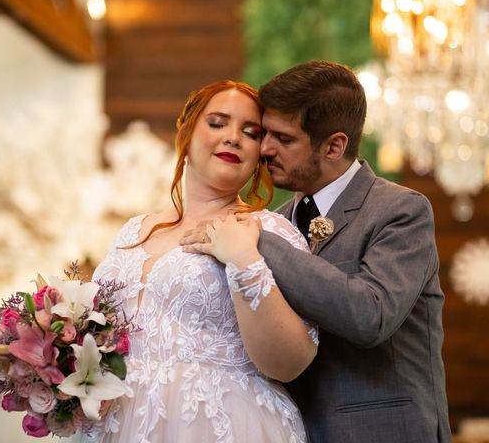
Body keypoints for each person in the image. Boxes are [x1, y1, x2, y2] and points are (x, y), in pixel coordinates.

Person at [182, 61, 451, 443]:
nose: (265, 148)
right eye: (265, 133)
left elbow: (370, 315)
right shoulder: (279, 219)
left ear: (334, 146)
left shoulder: (401, 211)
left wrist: (258, 243)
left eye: (284, 139)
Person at [88, 80, 318, 443]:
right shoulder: (133, 230)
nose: (233, 137)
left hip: (221, 424)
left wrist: (243, 259)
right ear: (187, 132)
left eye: (250, 132)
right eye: (217, 123)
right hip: (118, 424)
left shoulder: (268, 232)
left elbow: (291, 362)